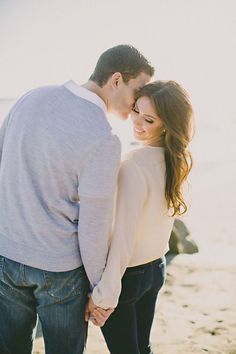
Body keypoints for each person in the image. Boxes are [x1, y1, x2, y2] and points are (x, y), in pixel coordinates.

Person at [0, 44, 154, 354]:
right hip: (59, 272)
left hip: (6, 255)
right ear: (116, 80)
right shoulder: (104, 136)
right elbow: (94, 224)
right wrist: (99, 289)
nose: (137, 102)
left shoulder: (31, 96)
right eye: (137, 91)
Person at [88, 80, 193, 354]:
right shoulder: (176, 159)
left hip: (129, 278)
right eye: (135, 110)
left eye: (148, 119)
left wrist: (104, 295)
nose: (137, 122)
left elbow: (123, 237)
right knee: (142, 348)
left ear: (168, 124)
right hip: (156, 268)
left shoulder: (133, 163)